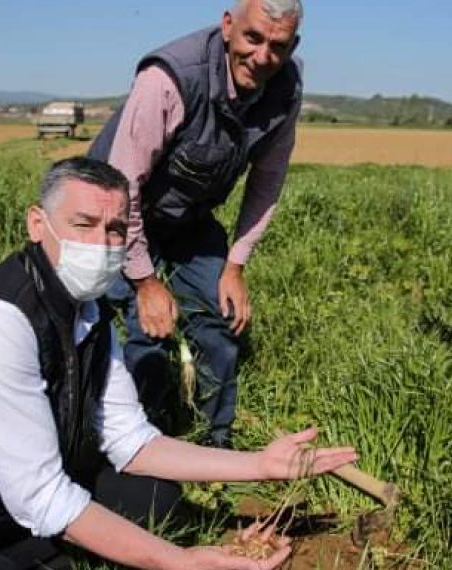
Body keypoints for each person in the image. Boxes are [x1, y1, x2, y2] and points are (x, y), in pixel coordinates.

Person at [0, 156, 358, 570]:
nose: (101, 244)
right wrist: (182, 562)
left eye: (116, 229)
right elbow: (41, 494)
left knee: (156, 500)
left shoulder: (90, 314)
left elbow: (133, 443)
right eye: (83, 224)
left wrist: (260, 465)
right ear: (37, 224)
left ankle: (40, 553)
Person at [87, 0, 304, 448]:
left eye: (277, 46)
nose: (262, 57)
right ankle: (140, 446)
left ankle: (214, 444)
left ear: (293, 46)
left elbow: (267, 182)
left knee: (220, 319)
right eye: (252, 38)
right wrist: (145, 281)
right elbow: (122, 187)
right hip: (113, 214)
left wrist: (235, 266)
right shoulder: (169, 79)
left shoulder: (286, 89)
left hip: (187, 218)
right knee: (146, 328)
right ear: (228, 26)